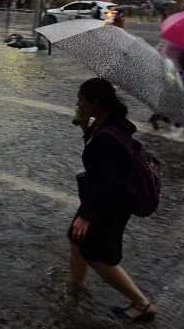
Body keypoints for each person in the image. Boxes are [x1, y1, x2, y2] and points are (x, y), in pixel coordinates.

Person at [70, 78, 156, 322]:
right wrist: (86, 127)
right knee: (76, 242)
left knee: (98, 256)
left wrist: (86, 217)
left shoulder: (109, 134)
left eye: (80, 99)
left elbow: (105, 180)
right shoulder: (108, 123)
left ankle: (142, 304)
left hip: (110, 204)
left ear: (95, 103)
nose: (77, 103)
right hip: (102, 199)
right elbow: (99, 159)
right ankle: (74, 288)